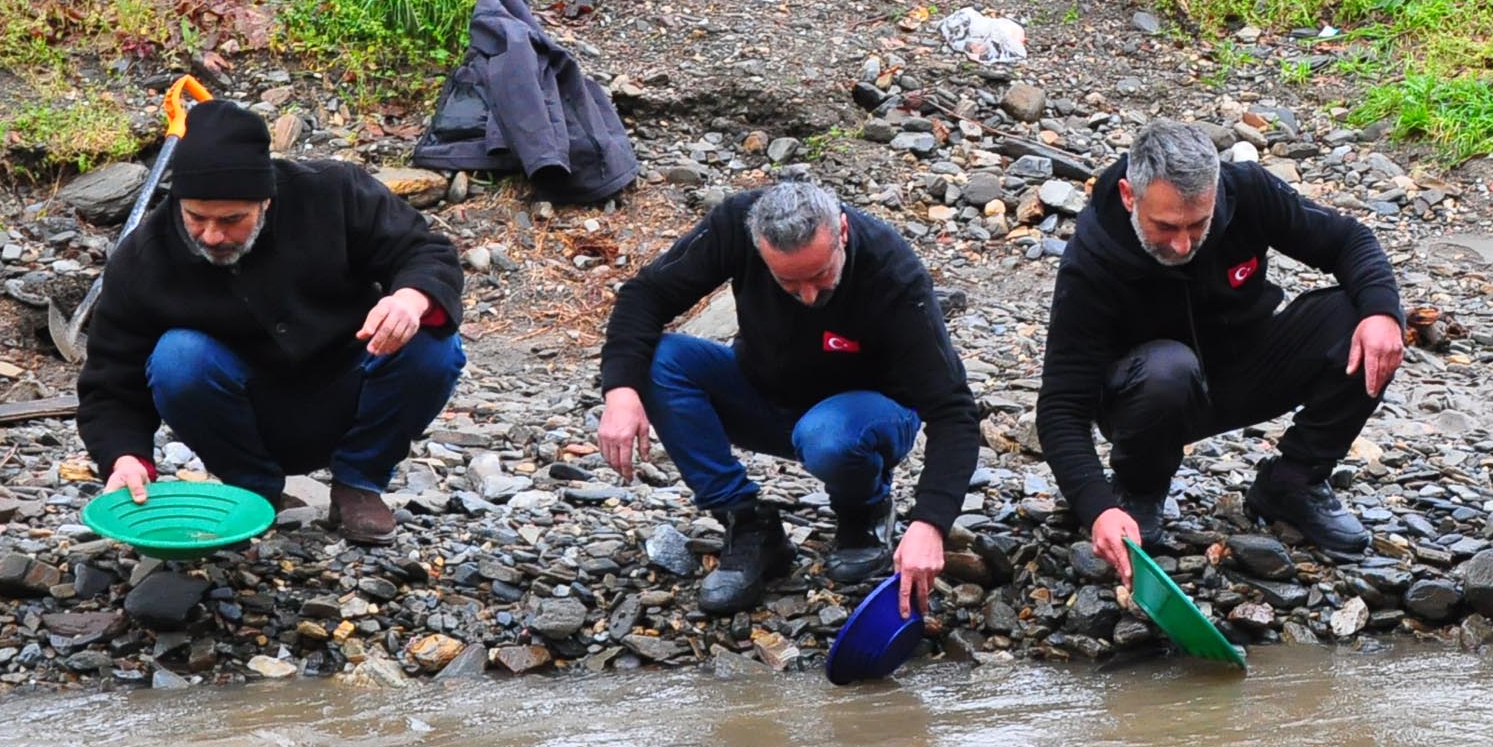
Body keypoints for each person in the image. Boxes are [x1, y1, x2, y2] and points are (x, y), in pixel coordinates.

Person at [76, 98, 464, 545]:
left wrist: (410, 299)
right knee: (177, 356)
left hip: (353, 387)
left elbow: (426, 251)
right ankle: (253, 493)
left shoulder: (333, 192)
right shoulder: (144, 255)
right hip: (243, 410)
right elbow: (111, 380)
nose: (212, 235)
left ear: (266, 198)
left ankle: (359, 482)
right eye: (195, 218)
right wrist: (124, 457)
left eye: (232, 220)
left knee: (434, 343)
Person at [595, 177, 978, 618]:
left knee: (828, 435)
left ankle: (864, 510)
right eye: (789, 283)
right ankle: (749, 525)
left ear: (843, 235)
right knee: (660, 360)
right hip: (765, 394)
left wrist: (930, 523)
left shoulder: (892, 272)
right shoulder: (735, 225)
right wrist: (620, 389)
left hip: (865, 417)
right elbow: (646, 295)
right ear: (759, 249)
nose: (809, 296)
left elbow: (954, 411)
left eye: (820, 276)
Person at [1036, 119, 1405, 575]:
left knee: (1364, 322)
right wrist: (1098, 508)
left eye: (1199, 224)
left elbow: (1349, 240)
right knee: (1168, 370)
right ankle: (1140, 491)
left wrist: (1383, 313)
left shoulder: (1246, 191)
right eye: (1166, 226)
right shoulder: (1091, 259)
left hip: (1243, 367)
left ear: (1215, 192)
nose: (1183, 243)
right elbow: (1060, 407)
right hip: (1149, 397)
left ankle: (1293, 483)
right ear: (1131, 196)